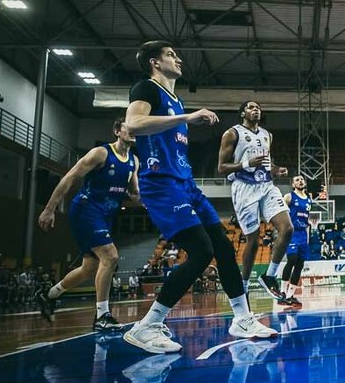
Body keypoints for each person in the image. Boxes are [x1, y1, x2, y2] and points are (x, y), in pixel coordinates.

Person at [123, 41, 277, 354]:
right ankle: (148, 324)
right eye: (169, 54)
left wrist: (184, 116)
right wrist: (188, 119)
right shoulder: (147, 88)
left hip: (185, 183)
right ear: (154, 62)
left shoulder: (175, 99)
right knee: (201, 250)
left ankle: (242, 318)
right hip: (162, 184)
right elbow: (134, 124)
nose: (177, 58)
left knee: (222, 244)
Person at [36, 118, 139, 331]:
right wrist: (49, 209)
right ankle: (102, 316)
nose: (134, 130)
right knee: (110, 257)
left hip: (106, 215)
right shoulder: (100, 153)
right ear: (117, 130)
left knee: (89, 267)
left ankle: (49, 294)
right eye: (129, 126)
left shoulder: (134, 161)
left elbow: (135, 193)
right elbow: (71, 176)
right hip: (86, 209)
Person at [216, 100, 293, 299]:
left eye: (258, 107)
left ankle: (269, 276)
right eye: (251, 107)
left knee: (287, 229)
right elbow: (222, 168)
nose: (255, 110)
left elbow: (267, 162)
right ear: (242, 113)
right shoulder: (232, 133)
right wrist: (246, 163)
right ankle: (243, 286)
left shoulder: (268, 135)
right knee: (253, 241)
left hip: (266, 186)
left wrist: (277, 170)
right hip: (244, 188)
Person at [281, 175, 312, 307]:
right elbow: (279, 211)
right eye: (297, 180)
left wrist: (308, 236)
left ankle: (290, 295)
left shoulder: (309, 200)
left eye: (302, 179)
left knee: (299, 264)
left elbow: (307, 219)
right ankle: (282, 292)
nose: (300, 181)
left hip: (303, 234)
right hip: (292, 232)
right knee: (292, 259)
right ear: (293, 184)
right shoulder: (289, 197)